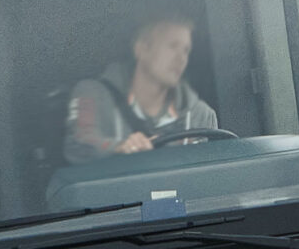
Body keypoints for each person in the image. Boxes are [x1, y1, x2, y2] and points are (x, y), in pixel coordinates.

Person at [65, 11, 218, 162]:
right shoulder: (92, 94)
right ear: (141, 50)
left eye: (186, 50)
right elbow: (79, 144)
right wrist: (119, 147)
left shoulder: (201, 115)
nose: (181, 58)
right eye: (173, 46)